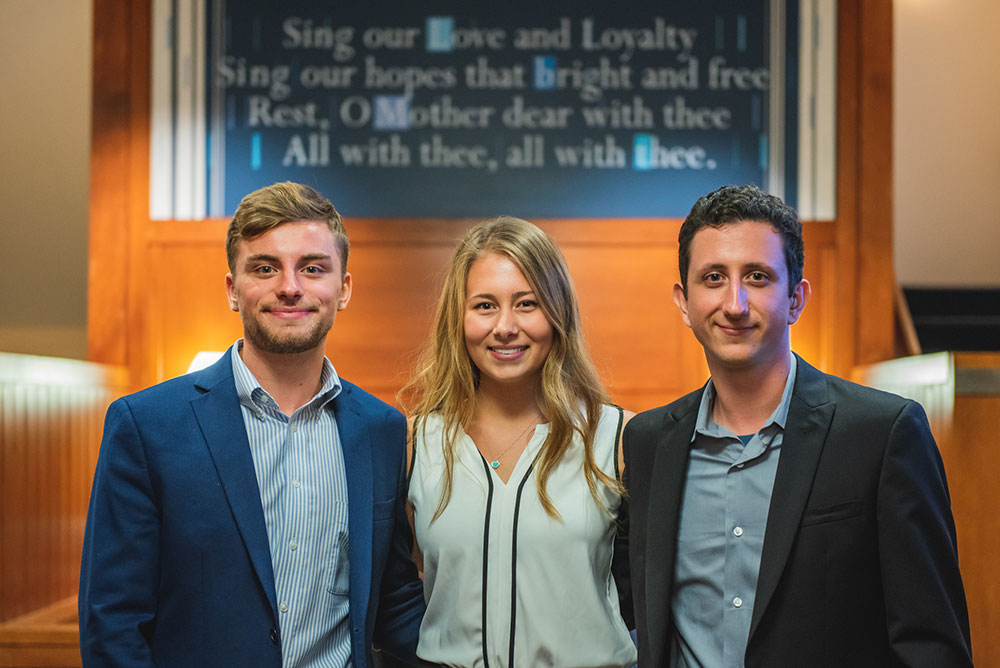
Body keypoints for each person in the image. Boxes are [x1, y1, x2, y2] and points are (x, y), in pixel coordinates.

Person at [622, 184, 972, 666]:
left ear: (796, 298)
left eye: (759, 277)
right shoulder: (647, 444)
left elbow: (931, 644)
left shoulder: (882, 434)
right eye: (713, 277)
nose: (735, 303)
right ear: (684, 301)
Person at [79, 182, 425, 667]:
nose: (290, 286)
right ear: (232, 290)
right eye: (265, 268)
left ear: (343, 289)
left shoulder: (383, 431)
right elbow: (112, 624)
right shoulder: (145, 426)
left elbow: (393, 604)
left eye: (312, 268)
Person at [401, 217, 637, 667]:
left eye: (527, 304)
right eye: (485, 306)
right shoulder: (417, 443)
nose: (505, 326)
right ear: (460, 318)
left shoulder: (616, 439)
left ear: (557, 313)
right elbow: (405, 587)